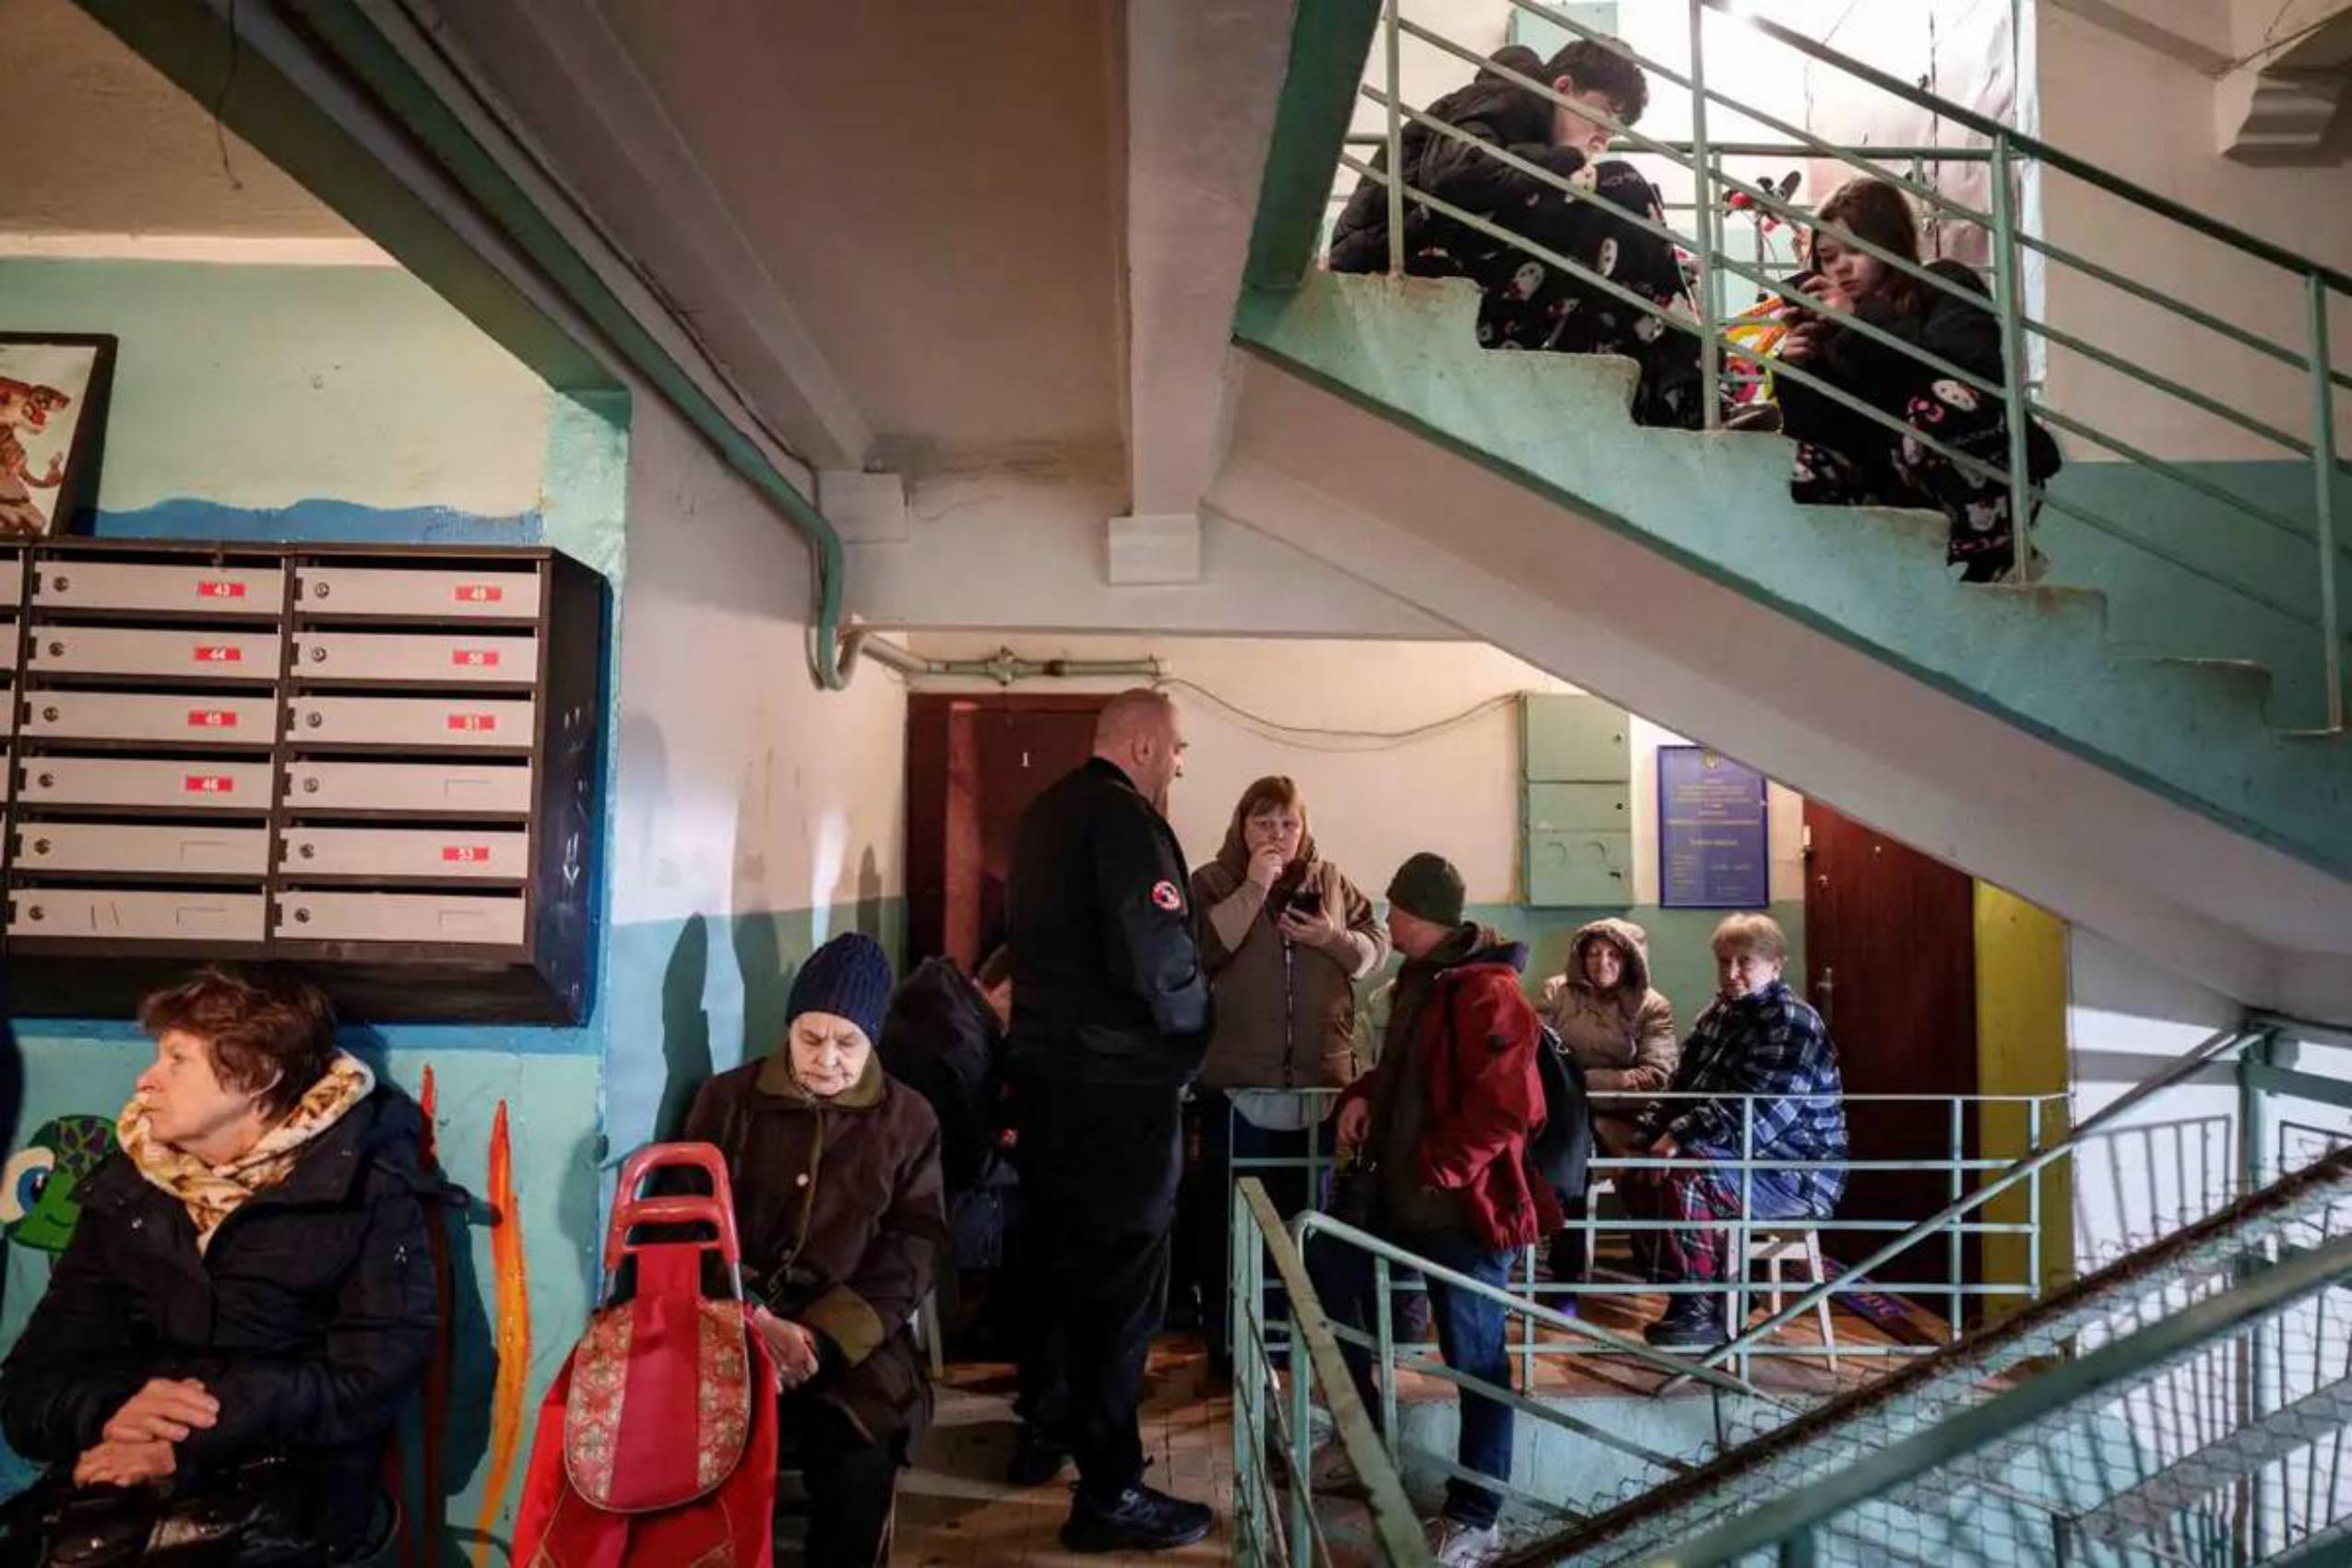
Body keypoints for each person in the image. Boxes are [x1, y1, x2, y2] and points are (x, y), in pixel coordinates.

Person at [0, 967, 437, 1565]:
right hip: (119, 1481)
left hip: (290, 1483)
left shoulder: (364, 1184)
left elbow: (374, 1377)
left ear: (258, 1075)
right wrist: (113, 1411)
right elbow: (31, 1383)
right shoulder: (129, 1186)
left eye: (177, 1060)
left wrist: (197, 1433)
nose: (146, 1080)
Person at [1004, 688, 1214, 1552]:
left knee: (1058, 1271)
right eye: (1176, 750)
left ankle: (1047, 1426)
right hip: (1119, 1097)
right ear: (1143, 745)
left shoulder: (1042, 817)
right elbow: (1157, 957)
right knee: (1120, 1296)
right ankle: (1110, 1492)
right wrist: (1196, 1037)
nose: (1179, 766)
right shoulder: (1127, 823)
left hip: (1047, 1085)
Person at [1313, 854, 1559, 1568]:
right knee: (1326, 1267)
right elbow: (1408, 1074)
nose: (1387, 919)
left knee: (1477, 1359)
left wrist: (1437, 1169)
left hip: (1465, 1213)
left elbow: (1510, 1108)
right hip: (1409, 1199)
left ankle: (1477, 1517)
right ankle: (1364, 1441)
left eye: (1393, 908)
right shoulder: (1425, 982)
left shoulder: (1488, 992)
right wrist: (1361, 1095)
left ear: (1420, 914)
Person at [679, 932, 946, 1568]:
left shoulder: (908, 1121)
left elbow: (914, 1247)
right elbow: (687, 1223)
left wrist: (821, 1339)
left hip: (854, 1341)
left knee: (856, 1452)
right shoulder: (727, 1101)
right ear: (790, 1029)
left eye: (847, 1042)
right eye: (810, 1037)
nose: (826, 1059)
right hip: (730, 1321)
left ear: (873, 1039)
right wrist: (752, 1318)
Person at [1327, 37, 1703, 428]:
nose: (1602, 138)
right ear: (1562, 88)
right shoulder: (1505, 97)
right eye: (1601, 117)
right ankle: (1691, 389)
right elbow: (1456, 176)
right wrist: (1567, 158)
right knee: (1622, 186)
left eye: (1612, 132)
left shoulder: (1528, 128)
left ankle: (1662, 399)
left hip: (1449, 250)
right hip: (1401, 253)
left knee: (1610, 252)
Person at [1182, 776, 1388, 1362]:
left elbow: (1374, 949)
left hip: (1319, 1086)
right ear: (1242, 827)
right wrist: (1254, 887)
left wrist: (1331, 938)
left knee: (1306, 1222)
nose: (1278, 834)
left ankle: (1293, 1341)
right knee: (1236, 1222)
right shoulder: (1212, 881)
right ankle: (1232, 1342)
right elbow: (1202, 950)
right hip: (1238, 1086)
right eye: (1264, 823)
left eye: (1289, 824)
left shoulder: (1332, 881)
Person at [1776, 175, 2062, 581]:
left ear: (1890, 243)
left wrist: (1860, 322)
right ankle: (1854, 573)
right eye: (1827, 257)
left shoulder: (1945, 285)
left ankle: (2000, 553)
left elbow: (1968, 373)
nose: (1841, 266)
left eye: (1856, 249)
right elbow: (1822, 432)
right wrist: (1800, 367)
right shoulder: (1835, 328)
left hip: (1989, 476)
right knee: (1803, 459)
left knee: (1936, 404)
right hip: (1896, 480)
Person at [1621, 914, 1847, 1351]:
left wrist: (1678, 1136)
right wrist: (1645, 1140)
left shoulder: (1793, 1021)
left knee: (1686, 1173)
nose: (1732, 972)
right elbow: (1679, 1088)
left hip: (1792, 1170)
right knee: (1637, 1172)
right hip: (1735, 1156)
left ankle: (1699, 1305)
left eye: (1746, 962)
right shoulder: (1717, 1015)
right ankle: (1720, 1294)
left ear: (1776, 966)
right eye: (1724, 962)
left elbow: (1760, 1115)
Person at [1540, 919, 1676, 1280]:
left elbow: (1657, 1075)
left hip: (1623, 1112)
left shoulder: (1652, 1005)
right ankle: (1566, 1272)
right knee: (1570, 1158)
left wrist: (1580, 1081)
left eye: (1614, 955)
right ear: (1580, 957)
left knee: (1642, 1169)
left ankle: (1657, 1266)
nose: (1603, 963)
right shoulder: (1556, 992)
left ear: (1631, 960)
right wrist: (1568, 1087)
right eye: (1594, 953)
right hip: (1563, 1110)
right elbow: (1536, 1054)